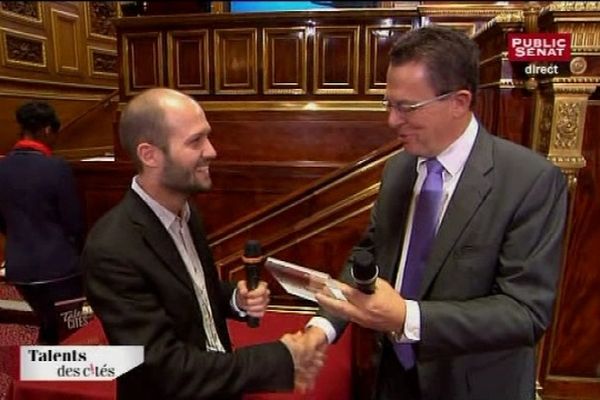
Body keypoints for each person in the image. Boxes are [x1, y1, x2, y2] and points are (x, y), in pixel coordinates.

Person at [303, 25, 568, 400]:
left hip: (472, 386)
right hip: (393, 376)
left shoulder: (531, 181)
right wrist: (323, 326)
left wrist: (408, 318)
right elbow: (368, 257)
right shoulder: (398, 169)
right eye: (389, 104)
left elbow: (525, 314)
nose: (392, 121)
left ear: (459, 102)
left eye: (406, 107)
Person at [81, 88, 324, 400]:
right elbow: (163, 369)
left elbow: (188, 291)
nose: (211, 151)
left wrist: (235, 298)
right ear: (149, 154)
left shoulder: (187, 211)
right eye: (195, 141)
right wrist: (280, 357)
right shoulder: (111, 249)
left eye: (207, 137)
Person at [0, 101, 84, 344]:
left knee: (48, 324)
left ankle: (39, 376)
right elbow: (73, 223)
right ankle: (64, 379)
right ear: (47, 130)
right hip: (59, 269)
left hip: (20, 268)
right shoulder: (56, 168)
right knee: (71, 331)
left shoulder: (2, 168)